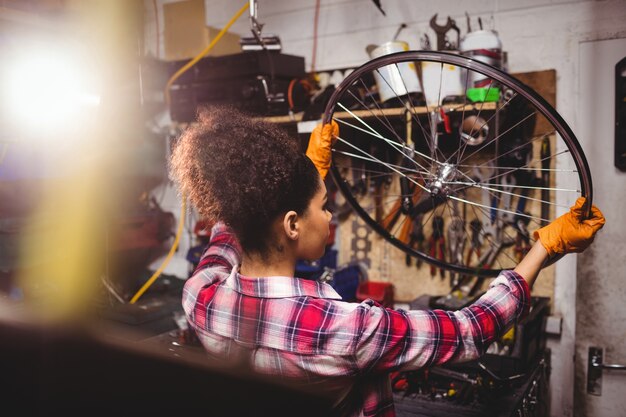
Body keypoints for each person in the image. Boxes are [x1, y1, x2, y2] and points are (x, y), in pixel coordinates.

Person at [169, 106, 605, 417]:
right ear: (292, 224)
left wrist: (308, 171)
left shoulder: (202, 297)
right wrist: (546, 247)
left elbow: (230, 228)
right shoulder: (346, 328)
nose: (328, 215)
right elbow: (473, 329)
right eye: (323, 205)